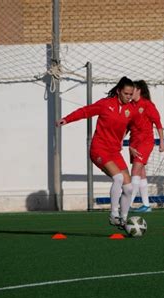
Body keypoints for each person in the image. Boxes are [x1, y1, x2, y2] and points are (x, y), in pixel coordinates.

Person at [57, 76, 137, 228]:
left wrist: (131, 144)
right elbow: (85, 111)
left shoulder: (131, 110)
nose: (129, 97)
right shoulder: (106, 104)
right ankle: (114, 215)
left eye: (131, 94)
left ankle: (124, 220)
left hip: (114, 151)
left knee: (129, 188)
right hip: (99, 149)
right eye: (126, 94)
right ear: (119, 91)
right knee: (118, 178)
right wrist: (66, 119)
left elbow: (133, 127)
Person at [128, 80, 164, 212]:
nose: (130, 92)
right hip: (133, 143)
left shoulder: (147, 105)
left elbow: (158, 123)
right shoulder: (129, 105)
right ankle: (146, 205)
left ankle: (127, 203)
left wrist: (162, 141)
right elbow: (126, 125)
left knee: (135, 170)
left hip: (146, 142)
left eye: (132, 89)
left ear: (138, 90)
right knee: (141, 172)